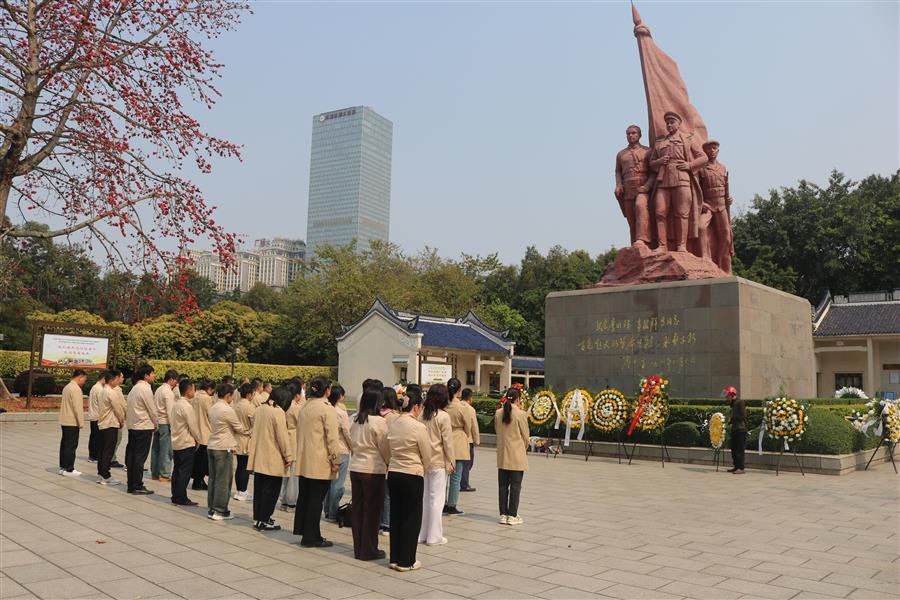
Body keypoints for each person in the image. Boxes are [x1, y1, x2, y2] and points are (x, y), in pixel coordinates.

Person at [647, 111, 708, 252]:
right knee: (660, 212)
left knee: (682, 213)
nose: (669, 125)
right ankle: (662, 245)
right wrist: (659, 161)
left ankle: (682, 246)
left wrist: (690, 165)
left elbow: (703, 157)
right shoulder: (660, 142)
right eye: (667, 123)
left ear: (679, 124)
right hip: (663, 180)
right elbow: (651, 164)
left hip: (682, 178)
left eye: (672, 122)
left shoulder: (687, 139)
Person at [293, 376, 341, 548]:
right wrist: (336, 460)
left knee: (305, 497)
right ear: (327, 390)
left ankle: (305, 531)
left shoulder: (305, 406)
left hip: (305, 458)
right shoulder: (327, 409)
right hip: (320, 460)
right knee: (316, 499)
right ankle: (312, 536)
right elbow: (332, 438)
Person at [387, 385, 430, 571]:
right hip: (412, 473)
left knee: (396, 515)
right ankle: (407, 560)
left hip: (394, 472)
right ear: (416, 407)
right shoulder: (418, 427)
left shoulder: (393, 423)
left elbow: (387, 448)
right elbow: (427, 454)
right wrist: (425, 468)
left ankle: (395, 557)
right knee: (411, 517)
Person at [349, 387, 390, 561]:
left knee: (358, 510)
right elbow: (384, 447)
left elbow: (350, 442)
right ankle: (369, 549)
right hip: (373, 469)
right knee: (372, 511)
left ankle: (358, 547)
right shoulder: (379, 422)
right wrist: (388, 462)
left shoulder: (355, 419)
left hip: (356, 467)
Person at [248, 386, 294, 531]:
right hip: (273, 457)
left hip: (259, 455)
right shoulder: (278, 412)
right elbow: (282, 437)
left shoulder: (260, 409)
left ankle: (258, 518)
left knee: (260, 490)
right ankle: (265, 519)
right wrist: (288, 456)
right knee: (271, 491)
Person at [206, 383, 249, 520]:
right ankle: (220, 510)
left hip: (212, 445)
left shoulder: (213, 407)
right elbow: (239, 427)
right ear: (228, 395)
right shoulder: (227, 410)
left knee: (213, 479)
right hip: (224, 448)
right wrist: (250, 431)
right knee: (223, 480)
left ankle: (212, 508)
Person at [418, 383, 454, 546]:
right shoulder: (443, 416)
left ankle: (422, 534)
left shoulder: (421, 415)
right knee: (436, 500)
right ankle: (434, 536)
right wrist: (451, 461)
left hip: (423, 461)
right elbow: (447, 442)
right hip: (438, 461)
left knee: (425, 498)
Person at [614, 124, 654, 247]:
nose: (631, 135)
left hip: (642, 186)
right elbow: (618, 171)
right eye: (628, 133)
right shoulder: (621, 154)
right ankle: (635, 246)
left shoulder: (648, 151)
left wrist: (647, 186)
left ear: (639, 135)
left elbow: (654, 172)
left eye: (633, 133)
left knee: (640, 207)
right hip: (627, 188)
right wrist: (618, 184)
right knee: (631, 219)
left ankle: (642, 240)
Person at [697, 140, 734, 273]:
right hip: (708, 205)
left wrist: (729, 199)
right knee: (701, 227)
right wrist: (701, 203)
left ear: (718, 150)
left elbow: (724, 188)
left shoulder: (723, 168)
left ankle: (724, 266)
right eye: (709, 149)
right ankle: (705, 258)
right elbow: (696, 189)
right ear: (705, 151)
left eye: (714, 148)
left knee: (726, 238)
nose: (712, 151)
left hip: (722, 206)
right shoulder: (701, 168)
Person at [495, 388, 529, 525]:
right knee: (515, 486)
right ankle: (512, 515)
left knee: (503, 486)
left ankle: (503, 514)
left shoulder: (498, 413)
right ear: (518, 399)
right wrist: (523, 447)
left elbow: (497, 431)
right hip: (517, 454)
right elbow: (526, 436)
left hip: (503, 453)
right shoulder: (521, 414)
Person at [125, 365, 158, 494]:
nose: (154, 376)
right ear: (146, 376)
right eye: (152, 373)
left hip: (133, 426)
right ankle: (137, 485)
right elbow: (152, 409)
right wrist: (156, 423)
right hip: (143, 427)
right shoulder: (145, 388)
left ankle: (131, 484)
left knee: (132, 457)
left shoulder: (134, 389)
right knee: (139, 458)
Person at [170, 378, 200, 506]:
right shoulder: (186, 406)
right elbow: (193, 426)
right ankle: (181, 497)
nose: (194, 391)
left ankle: (176, 495)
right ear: (188, 391)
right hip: (186, 442)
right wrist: (198, 439)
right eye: (193, 389)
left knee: (177, 470)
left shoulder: (176, 404)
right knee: (184, 472)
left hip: (176, 441)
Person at [323, 385, 351, 522]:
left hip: (328, 450)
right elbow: (347, 432)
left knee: (329, 482)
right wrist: (353, 447)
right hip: (341, 449)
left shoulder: (326, 409)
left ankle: (327, 510)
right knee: (337, 484)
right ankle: (333, 513)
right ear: (340, 396)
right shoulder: (341, 413)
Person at [443, 377, 471, 515]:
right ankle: (452, 505)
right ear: (459, 391)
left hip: (443, 440)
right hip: (458, 440)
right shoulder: (462, 407)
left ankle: (442, 503)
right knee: (455, 477)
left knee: (443, 477)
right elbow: (468, 426)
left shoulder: (443, 405)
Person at [279, 378, 305, 511]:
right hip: (294, 438)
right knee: (293, 475)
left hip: (285, 436)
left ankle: (284, 500)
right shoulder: (296, 408)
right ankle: (291, 501)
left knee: (285, 473)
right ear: (297, 395)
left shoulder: (283, 404)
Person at [96, 370, 125, 485]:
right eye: (118, 379)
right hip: (110, 424)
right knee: (108, 451)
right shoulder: (111, 392)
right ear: (112, 380)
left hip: (103, 424)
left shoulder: (103, 390)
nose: (119, 381)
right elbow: (118, 409)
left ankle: (101, 474)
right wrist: (121, 421)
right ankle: (106, 475)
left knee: (102, 450)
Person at [379, 384, 401, 535]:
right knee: (388, 494)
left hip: (375, 458)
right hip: (388, 458)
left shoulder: (376, 414)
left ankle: (380, 521)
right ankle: (386, 523)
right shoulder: (393, 417)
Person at [150, 369, 179, 483]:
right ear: (171, 379)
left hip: (158, 422)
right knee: (166, 450)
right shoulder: (168, 392)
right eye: (175, 380)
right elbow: (170, 411)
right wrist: (173, 426)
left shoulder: (159, 389)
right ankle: (164, 474)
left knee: (156, 449)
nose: (176, 383)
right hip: (165, 422)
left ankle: (155, 472)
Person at [58, 369, 87, 477]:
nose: (84, 382)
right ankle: (69, 468)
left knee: (65, 445)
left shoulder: (67, 387)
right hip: (72, 421)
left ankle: (63, 467)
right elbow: (77, 407)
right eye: (84, 379)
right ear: (80, 377)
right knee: (71, 446)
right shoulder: (76, 389)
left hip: (65, 420)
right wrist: (81, 422)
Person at [232, 382, 256, 502]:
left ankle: (239, 490)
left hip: (237, 438)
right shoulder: (250, 407)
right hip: (246, 438)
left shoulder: (235, 405)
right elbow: (254, 423)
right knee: (245, 466)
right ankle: (242, 491)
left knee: (239, 465)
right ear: (249, 394)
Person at [191, 379, 215, 490]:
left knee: (197, 459)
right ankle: (198, 481)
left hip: (195, 431)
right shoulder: (207, 399)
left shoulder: (194, 396)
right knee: (203, 461)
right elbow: (211, 415)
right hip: (205, 432)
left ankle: (198, 480)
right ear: (209, 389)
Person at [459, 388, 480, 492]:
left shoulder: (456, 406)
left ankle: (459, 482)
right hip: (468, 440)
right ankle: (464, 484)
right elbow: (474, 426)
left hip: (456, 439)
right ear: (470, 398)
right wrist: (477, 440)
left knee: (459, 463)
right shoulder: (470, 409)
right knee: (467, 463)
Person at [86, 371, 108, 463]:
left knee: (94, 436)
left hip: (93, 415)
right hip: (97, 416)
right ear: (103, 378)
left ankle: (92, 455)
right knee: (97, 437)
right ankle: (94, 456)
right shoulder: (99, 389)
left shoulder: (94, 387)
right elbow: (102, 403)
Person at [725, 386, 746, 474]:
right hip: (734, 429)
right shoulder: (733, 404)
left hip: (740, 430)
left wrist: (732, 418)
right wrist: (729, 421)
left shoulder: (740, 402)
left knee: (739, 450)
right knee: (733, 449)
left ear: (732, 395)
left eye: (727, 396)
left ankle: (741, 468)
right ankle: (736, 466)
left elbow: (743, 416)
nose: (726, 398)